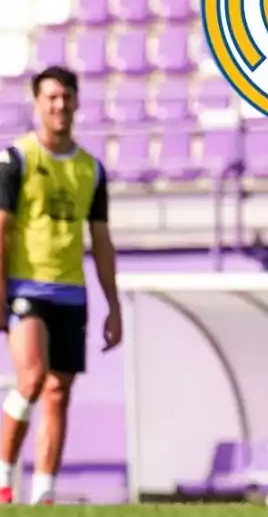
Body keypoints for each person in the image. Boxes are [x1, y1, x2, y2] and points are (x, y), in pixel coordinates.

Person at [0, 67, 122, 504]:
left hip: (72, 293)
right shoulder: (15, 159)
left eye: (66, 98)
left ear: (76, 103)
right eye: (51, 98)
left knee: (58, 391)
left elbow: (102, 242)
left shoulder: (92, 169)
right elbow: (2, 229)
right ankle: (2, 480)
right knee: (31, 379)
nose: (59, 106)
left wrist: (114, 306)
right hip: (26, 289)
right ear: (37, 103)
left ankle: (45, 494)